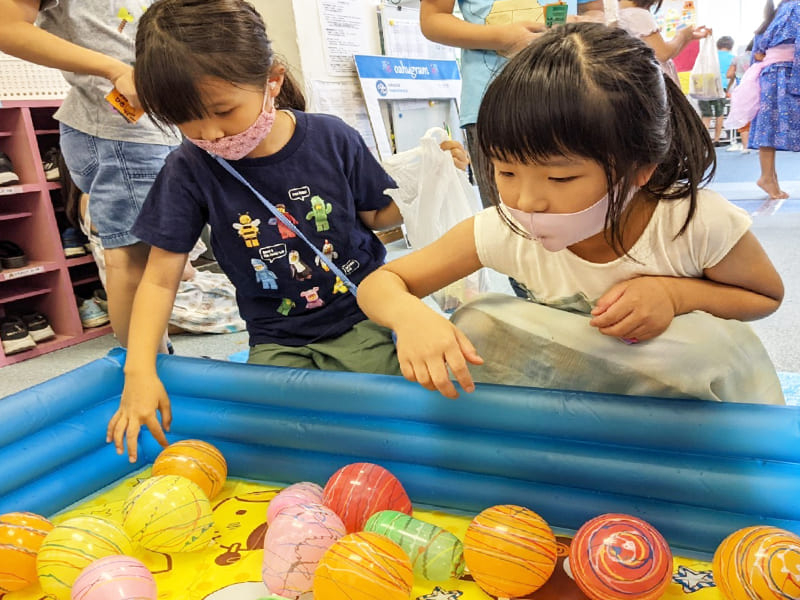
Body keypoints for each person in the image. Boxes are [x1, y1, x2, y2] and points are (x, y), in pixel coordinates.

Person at [105, 0, 470, 462]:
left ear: (271, 80)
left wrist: (436, 174)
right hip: (276, 333)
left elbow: (378, 216)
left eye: (223, 110)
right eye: (187, 121)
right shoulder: (189, 167)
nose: (211, 133)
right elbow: (159, 277)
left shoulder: (330, 137)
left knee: (393, 420)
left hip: (360, 314)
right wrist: (139, 369)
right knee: (279, 438)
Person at [357, 22, 785, 407]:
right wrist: (411, 317)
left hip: (680, 401)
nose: (526, 200)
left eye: (559, 179)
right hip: (584, 398)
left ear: (639, 168)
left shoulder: (691, 221)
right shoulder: (506, 227)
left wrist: (676, 296)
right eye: (505, 171)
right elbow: (382, 282)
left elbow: (765, 296)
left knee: (709, 345)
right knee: (475, 324)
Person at [0, 0, 181, 353]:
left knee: (153, 260)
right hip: (120, 129)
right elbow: (7, 27)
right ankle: (147, 372)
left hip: (156, 128)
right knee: (131, 259)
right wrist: (113, 70)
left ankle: (156, 363)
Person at [742, 0, 799, 200]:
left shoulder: (777, 11)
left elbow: (757, 53)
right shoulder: (796, 7)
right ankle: (768, 177)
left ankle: (769, 176)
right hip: (787, 73)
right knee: (770, 124)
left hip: (770, 73)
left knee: (768, 125)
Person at [617, 0, 710, 85]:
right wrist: (681, 35)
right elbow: (663, 54)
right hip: (657, 84)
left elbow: (667, 53)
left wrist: (687, 37)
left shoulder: (624, 15)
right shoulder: (637, 14)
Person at [696, 35, 735, 147]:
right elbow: (731, 76)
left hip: (706, 86)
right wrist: (727, 89)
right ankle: (716, 140)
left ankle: (702, 140)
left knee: (706, 115)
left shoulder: (710, 56)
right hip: (720, 87)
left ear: (717, 45)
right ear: (731, 46)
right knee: (719, 114)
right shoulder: (733, 58)